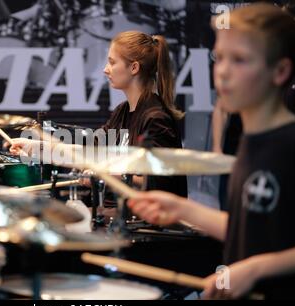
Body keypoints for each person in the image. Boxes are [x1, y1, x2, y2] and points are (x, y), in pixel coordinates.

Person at [128, 3, 295, 299]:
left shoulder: (291, 143)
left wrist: (255, 269)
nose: (223, 73)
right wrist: (182, 210)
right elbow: (253, 231)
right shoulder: (251, 142)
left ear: (280, 70)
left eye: (240, 60)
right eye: (219, 58)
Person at [9, 30, 187, 197]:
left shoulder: (155, 119)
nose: (105, 69)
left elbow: (158, 186)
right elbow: (92, 151)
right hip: (125, 215)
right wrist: (35, 148)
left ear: (134, 68)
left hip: (151, 225)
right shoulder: (122, 111)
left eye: (112, 62)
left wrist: (104, 174)